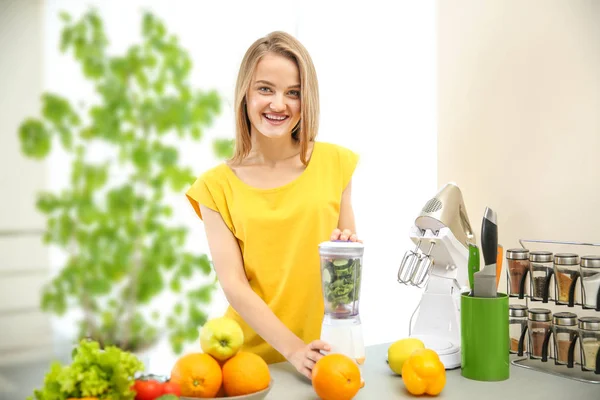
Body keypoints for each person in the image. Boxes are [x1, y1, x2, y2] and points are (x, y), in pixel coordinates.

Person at [185, 31, 361, 380]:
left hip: (323, 355)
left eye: (293, 93)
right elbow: (234, 284)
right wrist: (293, 349)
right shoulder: (214, 187)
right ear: (245, 94)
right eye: (265, 88)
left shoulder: (336, 163)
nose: (279, 104)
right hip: (246, 362)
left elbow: (345, 260)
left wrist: (346, 251)